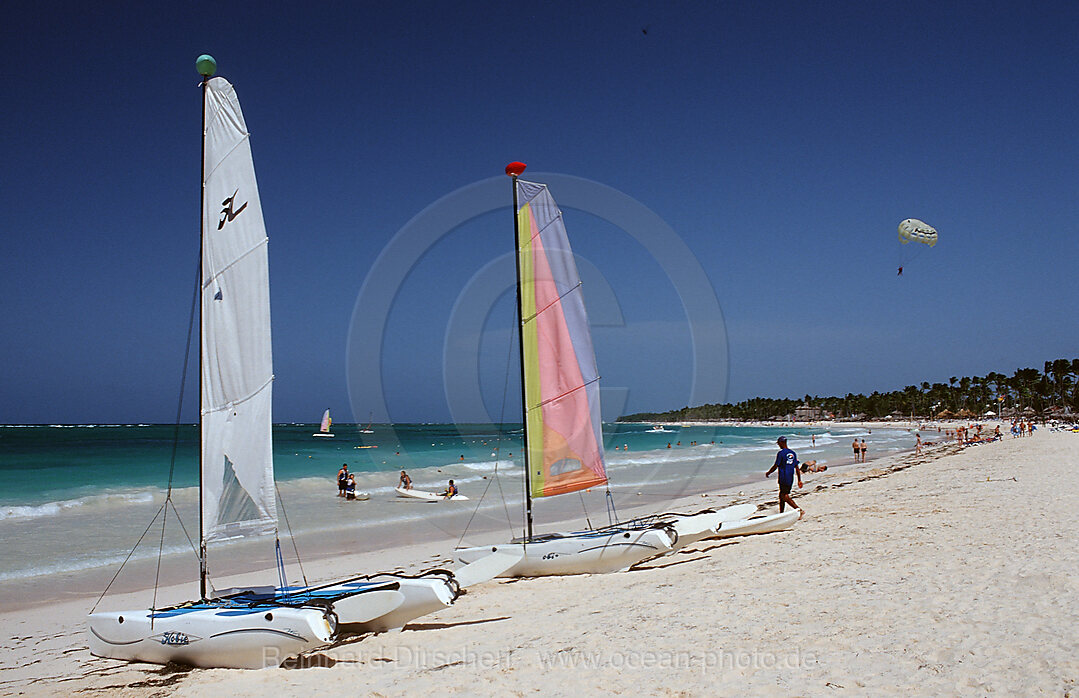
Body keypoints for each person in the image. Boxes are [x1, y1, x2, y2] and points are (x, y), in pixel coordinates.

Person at [765, 436, 803, 518]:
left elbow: (776, 465)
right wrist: (799, 480)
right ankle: (781, 513)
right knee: (781, 495)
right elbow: (797, 468)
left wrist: (769, 472)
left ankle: (799, 510)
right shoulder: (793, 453)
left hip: (783, 477)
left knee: (784, 496)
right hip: (790, 477)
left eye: (778, 443)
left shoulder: (781, 453)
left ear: (782, 443)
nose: (778, 445)